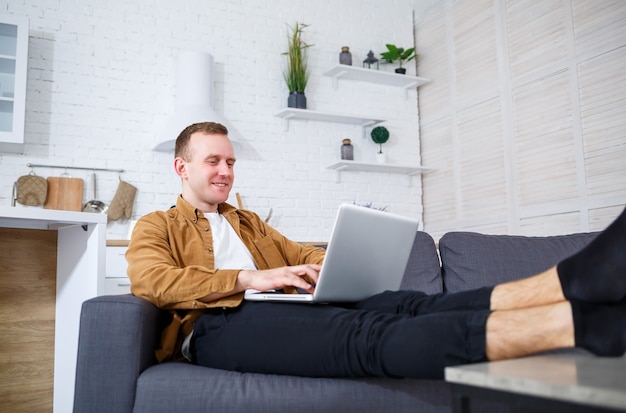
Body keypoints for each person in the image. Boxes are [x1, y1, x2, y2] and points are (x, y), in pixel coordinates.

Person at [126, 121, 626, 379]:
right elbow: (152, 282)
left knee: (411, 303)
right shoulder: (157, 224)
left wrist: (331, 262)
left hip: (284, 307)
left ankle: (570, 283)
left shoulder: (247, 220)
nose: (226, 172)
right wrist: (248, 279)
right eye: (213, 161)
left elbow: (300, 250)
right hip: (214, 326)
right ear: (181, 168)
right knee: (366, 334)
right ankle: (583, 325)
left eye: (231, 162)